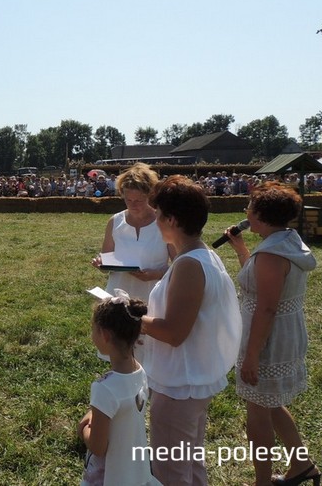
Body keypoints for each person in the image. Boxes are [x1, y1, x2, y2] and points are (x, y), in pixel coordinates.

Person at [138, 175, 241, 485]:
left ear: (171, 219)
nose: (155, 221)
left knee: (171, 473)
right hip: (191, 379)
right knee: (191, 466)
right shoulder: (204, 255)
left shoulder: (188, 264)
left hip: (179, 384)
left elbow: (174, 332)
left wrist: (128, 316)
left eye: (158, 214)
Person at [222, 182, 318, 486]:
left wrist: (251, 356)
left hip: (267, 341)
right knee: (271, 402)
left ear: (260, 215)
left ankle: (262, 481)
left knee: (258, 412)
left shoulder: (271, 255)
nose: (245, 211)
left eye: (249, 206)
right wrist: (242, 251)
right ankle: (302, 465)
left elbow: (266, 309)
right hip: (279, 334)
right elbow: (258, 283)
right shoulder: (284, 242)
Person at [78, 292, 161, 486]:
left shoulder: (105, 389)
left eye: (93, 330)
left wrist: (83, 428)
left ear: (105, 335)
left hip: (111, 476)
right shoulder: (140, 371)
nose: (92, 335)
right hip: (134, 471)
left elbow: (98, 447)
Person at [92, 163, 172, 304]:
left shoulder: (164, 223)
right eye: (128, 200)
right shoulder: (115, 222)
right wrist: (101, 263)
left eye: (139, 201)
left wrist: (157, 274)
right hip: (118, 296)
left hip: (153, 297)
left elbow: (180, 265)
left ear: (150, 196)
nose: (133, 205)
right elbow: (106, 260)